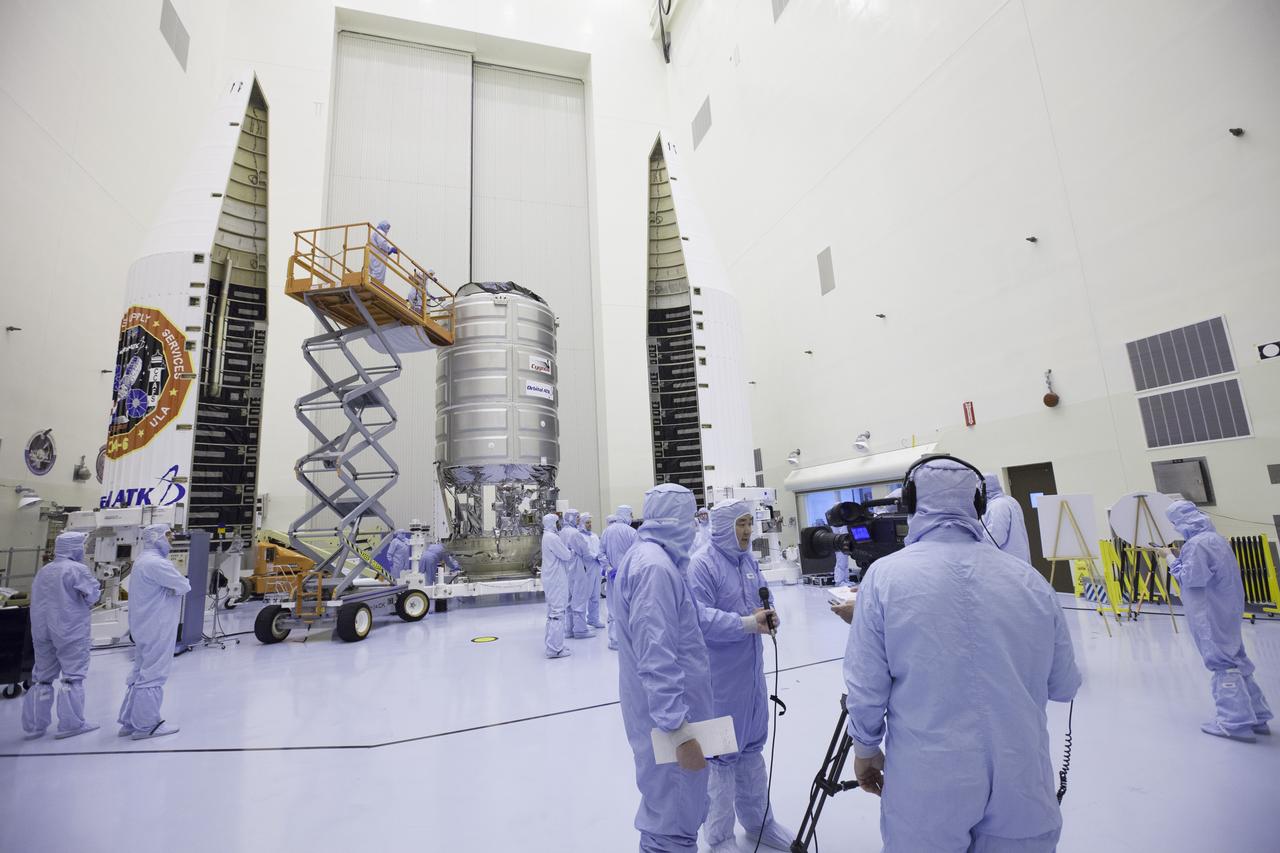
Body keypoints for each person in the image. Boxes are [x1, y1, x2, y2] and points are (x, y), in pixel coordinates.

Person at [844, 458, 1081, 851]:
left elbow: (866, 685)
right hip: (1022, 777)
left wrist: (866, 750)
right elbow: (1064, 685)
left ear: (911, 501)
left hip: (928, 781)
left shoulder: (884, 578)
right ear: (979, 503)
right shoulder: (1030, 580)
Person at [614, 484, 774, 853]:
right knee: (672, 826)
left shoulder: (659, 562)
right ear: (674, 520)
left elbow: (683, 629)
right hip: (673, 724)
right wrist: (679, 732)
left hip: (681, 715)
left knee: (677, 818)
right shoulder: (654, 569)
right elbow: (657, 657)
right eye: (689, 520)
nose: (693, 528)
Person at [688, 501, 794, 852]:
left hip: (751, 675)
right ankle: (719, 837)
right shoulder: (702, 565)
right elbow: (699, 619)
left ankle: (760, 823)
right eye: (741, 524)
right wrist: (747, 623)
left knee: (751, 751)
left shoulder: (748, 561)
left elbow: (764, 596)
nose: (748, 530)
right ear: (722, 526)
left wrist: (769, 614)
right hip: (719, 681)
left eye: (749, 523)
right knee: (721, 757)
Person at [1165, 500, 1272, 741]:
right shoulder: (1215, 539)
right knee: (1235, 657)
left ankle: (1234, 723)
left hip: (1208, 612)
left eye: (1174, 523)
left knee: (1222, 662)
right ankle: (1258, 715)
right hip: (1226, 608)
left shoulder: (1196, 545)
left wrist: (1169, 558)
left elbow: (1191, 579)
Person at [21, 531, 102, 740]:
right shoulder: (76, 569)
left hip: (42, 630)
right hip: (69, 629)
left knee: (42, 677)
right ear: (74, 547)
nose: (83, 549)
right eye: (82, 545)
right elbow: (93, 595)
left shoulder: (45, 570)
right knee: (72, 677)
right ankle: (71, 724)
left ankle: (35, 725)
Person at [118, 524, 191, 740]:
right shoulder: (157, 563)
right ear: (155, 537)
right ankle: (147, 725)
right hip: (157, 626)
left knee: (141, 672)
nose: (171, 538)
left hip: (143, 625)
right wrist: (175, 588)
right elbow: (183, 585)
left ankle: (130, 721)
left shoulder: (142, 560)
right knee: (153, 674)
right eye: (167, 535)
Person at [602, 504, 640, 651]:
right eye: (631, 514)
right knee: (630, 608)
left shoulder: (606, 531)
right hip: (628, 577)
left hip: (612, 577)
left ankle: (614, 640)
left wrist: (609, 569)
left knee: (612, 608)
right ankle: (629, 640)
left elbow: (601, 553)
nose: (632, 517)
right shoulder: (632, 532)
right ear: (626, 514)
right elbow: (637, 555)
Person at [540, 513, 573, 659]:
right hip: (556, 579)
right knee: (558, 613)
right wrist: (572, 551)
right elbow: (566, 555)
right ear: (552, 523)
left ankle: (553, 644)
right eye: (557, 522)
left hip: (551, 578)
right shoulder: (552, 538)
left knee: (553, 613)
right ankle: (555, 649)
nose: (558, 525)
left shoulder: (547, 536)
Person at [982, 473, 1032, 563]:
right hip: (1018, 561)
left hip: (1007, 563)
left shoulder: (997, 506)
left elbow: (993, 539)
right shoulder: (1009, 500)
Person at [560, 509, 595, 638]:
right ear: (571, 518)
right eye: (577, 518)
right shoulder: (574, 533)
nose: (579, 520)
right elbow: (584, 551)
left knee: (569, 600)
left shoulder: (562, 532)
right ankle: (580, 630)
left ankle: (569, 629)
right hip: (577, 568)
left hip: (566, 568)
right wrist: (592, 559)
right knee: (579, 598)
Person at [582, 513, 607, 629]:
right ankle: (580, 622)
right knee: (584, 596)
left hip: (596, 568)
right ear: (582, 523)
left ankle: (593, 619)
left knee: (595, 595)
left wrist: (601, 558)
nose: (590, 524)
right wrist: (595, 556)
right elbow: (584, 552)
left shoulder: (594, 535)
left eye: (590, 522)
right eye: (587, 523)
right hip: (586, 569)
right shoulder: (580, 536)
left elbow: (600, 549)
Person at [369, 219, 398, 283]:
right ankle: (375, 283)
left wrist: (388, 252)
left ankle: (373, 282)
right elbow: (382, 244)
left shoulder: (375, 233)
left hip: (374, 256)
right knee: (378, 272)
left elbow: (379, 247)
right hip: (378, 259)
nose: (387, 230)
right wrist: (390, 249)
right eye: (387, 228)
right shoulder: (380, 232)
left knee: (373, 271)